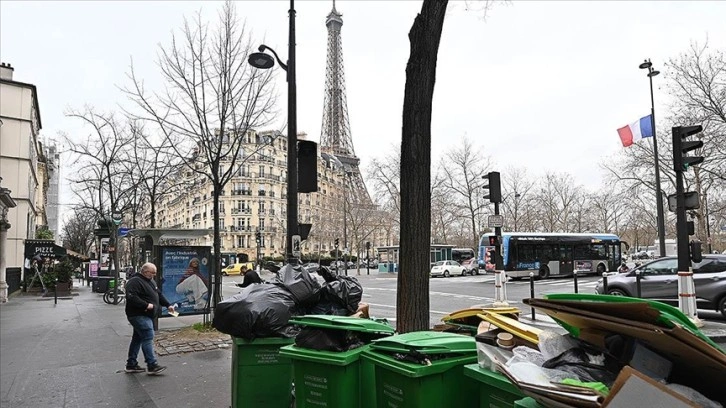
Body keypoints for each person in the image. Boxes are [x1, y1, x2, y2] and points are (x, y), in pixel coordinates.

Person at [124, 262, 174, 375]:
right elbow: (131, 297)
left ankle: (131, 364)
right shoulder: (134, 281)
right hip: (138, 314)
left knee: (137, 339)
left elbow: (158, 294)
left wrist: (168, 305)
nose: (154, 275)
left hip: (146, 315)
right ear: (145, 272)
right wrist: (146, 305)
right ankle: (152, 365)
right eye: (153, 273)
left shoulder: (150, 281)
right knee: (148, 336)